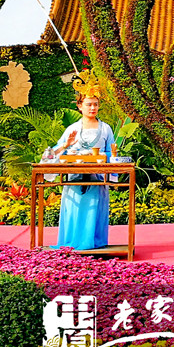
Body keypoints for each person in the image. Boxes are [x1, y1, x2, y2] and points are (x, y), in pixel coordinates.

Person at [50, 70, 115, 250]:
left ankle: (93, 241)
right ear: (80, 106)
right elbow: (55, 152)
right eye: (88, 104)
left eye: (95, 104)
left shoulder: (106, 129)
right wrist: (67, 146)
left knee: (94, 209)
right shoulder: (72, 129)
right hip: (75, 178)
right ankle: (72, 241)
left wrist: (101, 158)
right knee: (74, 208)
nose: (92, 108)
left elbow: (112, 153)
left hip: (97, 177)